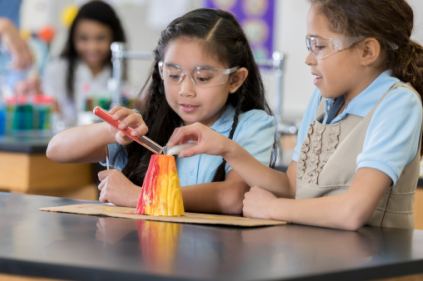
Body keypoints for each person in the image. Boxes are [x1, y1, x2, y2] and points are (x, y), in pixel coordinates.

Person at [168, 0, 423, 230]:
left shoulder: (398, 103)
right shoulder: (323, 99)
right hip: (316, 255)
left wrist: (272, 208)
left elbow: (352, 212)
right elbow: (291, 187)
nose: (308, 59)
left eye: (320, 46)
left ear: (367, 51)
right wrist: (227, 149)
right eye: (309, 44)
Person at [47, 8, 277, 215]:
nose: (185, 90)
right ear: (161, 71)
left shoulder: (252, 125)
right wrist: (111, 131)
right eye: (174, 75)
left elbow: (233, 197)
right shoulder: (149, 126)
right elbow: (56, 150)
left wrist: (141, 196)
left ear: (235, 79)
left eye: (203, 78)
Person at [42, 1, 126, 126]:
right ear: (73, 38)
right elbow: (52, 118)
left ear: (114, 38)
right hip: (65, 142)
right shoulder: (57, 70)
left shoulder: (121, 74)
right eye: (83, 38)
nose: (92, 47)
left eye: (100, 38)